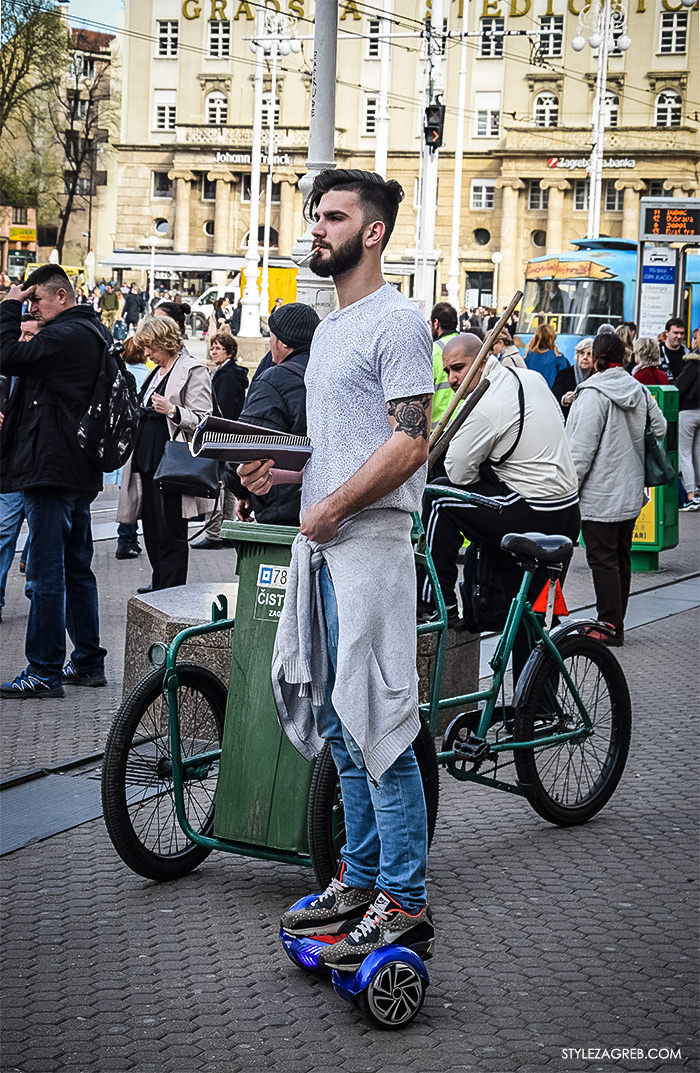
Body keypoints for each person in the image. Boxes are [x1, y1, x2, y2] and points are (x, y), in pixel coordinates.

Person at [238, 168, 435, 969]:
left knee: (383, 729)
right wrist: (278, 478)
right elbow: (336, 452)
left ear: (374, 230)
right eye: (316, 215)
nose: (317, 228)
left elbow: (410, 441)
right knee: (341, 729)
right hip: (323, 545)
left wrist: (333, 509)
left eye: (333, 217)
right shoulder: (328, 333)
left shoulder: (398, 321)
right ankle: (357, 881)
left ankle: (405, 901)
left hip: (372, 552)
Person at [417, 333, 581, 660]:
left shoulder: (486, 405)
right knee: (529, 622)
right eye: (448, 371)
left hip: (534, 510)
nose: (452, 380)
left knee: (438, 500)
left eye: (459, 368)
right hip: (567, 513)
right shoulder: (528, 377)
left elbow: (460, 473)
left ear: (481, 360)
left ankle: (436, 604)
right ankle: (536, 708)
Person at [0, 265, 109, 697]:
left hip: (53, 469)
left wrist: (8, 305)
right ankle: (86, 661)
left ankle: (43, 670)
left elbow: (7, 355)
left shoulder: (67, 334)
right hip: (76, 469)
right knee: (77, 568)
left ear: (62, 297)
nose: (34, 308)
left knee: (45, 573)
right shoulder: (90, 332)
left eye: (38, 301)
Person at [566, 333, 666, 646]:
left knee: (602, 560)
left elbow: (579, 452)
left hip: (600, 495)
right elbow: (661, 427)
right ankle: (615, 623)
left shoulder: (593, 393)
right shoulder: (638, 389)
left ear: (595, 359)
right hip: (631, 492)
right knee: (621, 557)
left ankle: (608, 624)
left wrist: (568, 491)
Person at [116, 315, 213, 592]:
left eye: (151, 347)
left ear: (165, 342)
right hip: (147, 462)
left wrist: (172, 410)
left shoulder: (192, 370)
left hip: (172, 464)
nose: (147, 353)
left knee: (170, 531)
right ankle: (160, 582)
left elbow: (205, 418)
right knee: (152, 530)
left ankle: (171, 590)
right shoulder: (154, 372)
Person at [224, 302, 319, 527]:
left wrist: (242, 490)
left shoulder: (274, 380)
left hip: (282, 507)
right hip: (330, 504)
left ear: (282, 342)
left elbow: (244, 444)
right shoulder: (330, 372)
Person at [191, 332, 249, 549]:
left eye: (217, 348)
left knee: (216, 483)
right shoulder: (231, 374)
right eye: (212, 348)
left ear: (229, 352)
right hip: (232, 436)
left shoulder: (226, 376)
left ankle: (214, 532)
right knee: (226, 484)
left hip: (222, 435)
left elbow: (220, 410)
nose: (213, 352)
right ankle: (225, 531)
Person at [0, 315, 40, 622]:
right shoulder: (6, 368)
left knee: (42, 537)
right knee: (3, 533)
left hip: (40, 467)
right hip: (10, 466)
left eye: (30, 334)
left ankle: (38, 593)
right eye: (20, 334)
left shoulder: (46, 370)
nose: (24, 340)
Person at [112, 338, 152, 559]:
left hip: (120, 442)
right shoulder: (147, 375)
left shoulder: (119, 372)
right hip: (138, 443)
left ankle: (127, 538)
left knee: (126, 492)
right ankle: (127, 538)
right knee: (134, 493)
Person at [429, 302, 459, 431]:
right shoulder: (469, 348)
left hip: (437, 431)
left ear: (436, 323)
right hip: (463, 426)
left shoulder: (432, 352)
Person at [677, 344, 700, 511]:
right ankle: (698, 490)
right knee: (697, 450)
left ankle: (691, 494)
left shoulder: (692, 365)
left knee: (684, 452)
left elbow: (679, 388)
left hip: (687, 411)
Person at [552, 336, 595, 420]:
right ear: (577, 356)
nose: (585, 357)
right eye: (582, 353)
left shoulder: (598, 376)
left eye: (589, 354)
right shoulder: (565, 374)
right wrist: (564, 400)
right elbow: (553, 399)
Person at [523, 323, 568, 389]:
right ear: (552, 338)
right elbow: (565, 379)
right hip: (550, 395)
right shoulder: (558, 357)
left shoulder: (527, 357)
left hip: (530, 394)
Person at [658, 318, 688, 384]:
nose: (679, 336)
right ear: (666, 333)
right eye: (676, 333)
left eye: (682, 333)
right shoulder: (656, 352)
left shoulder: (688, 354)